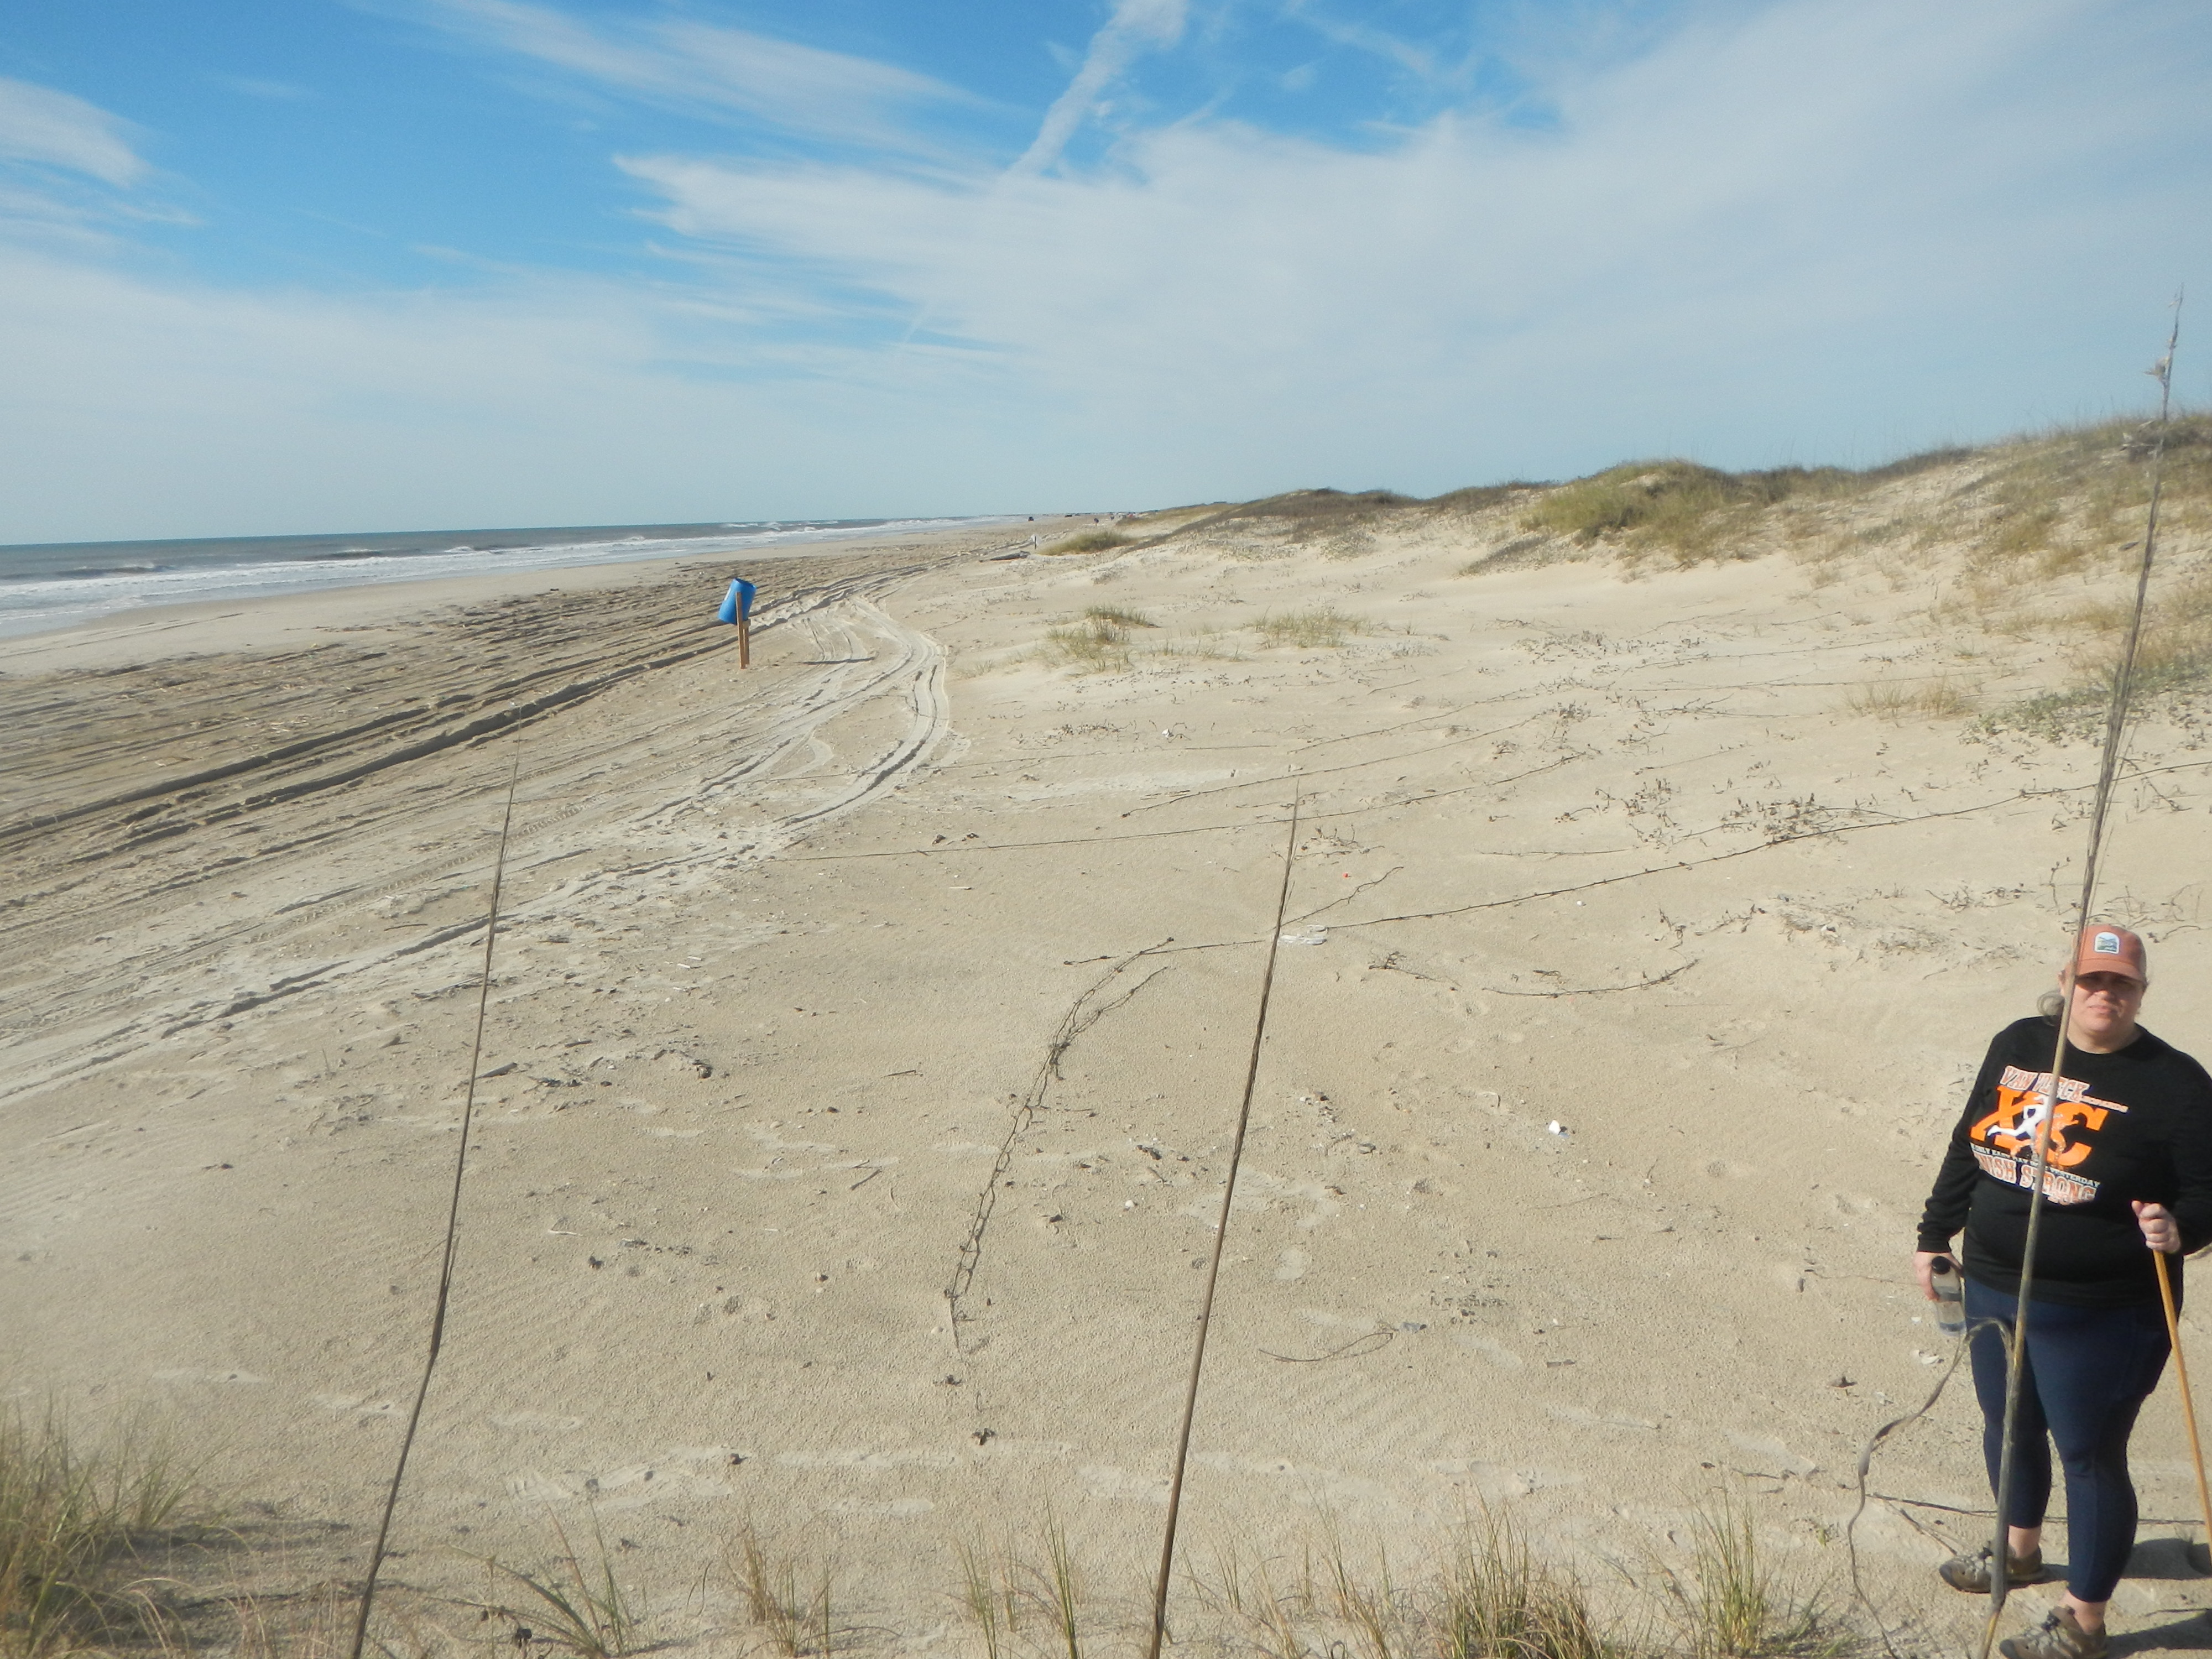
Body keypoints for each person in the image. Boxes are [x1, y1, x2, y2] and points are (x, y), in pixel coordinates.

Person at [1916, 926, 2212, 1659]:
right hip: (1990, 1281)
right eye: (2091, 981)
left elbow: (2209, 1192)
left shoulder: (2177, 1084)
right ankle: (2017, 1551)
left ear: (2142, 992)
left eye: (2122, 983)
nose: (2105, 995)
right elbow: (1969, 1143)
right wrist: (1933, 1235)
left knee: (2089, 1454)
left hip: (2105, 1311)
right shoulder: (2019, 1041)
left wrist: (2180, 1226)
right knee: (2007, 1422)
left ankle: (2084, 1622)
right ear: (2066, 982)